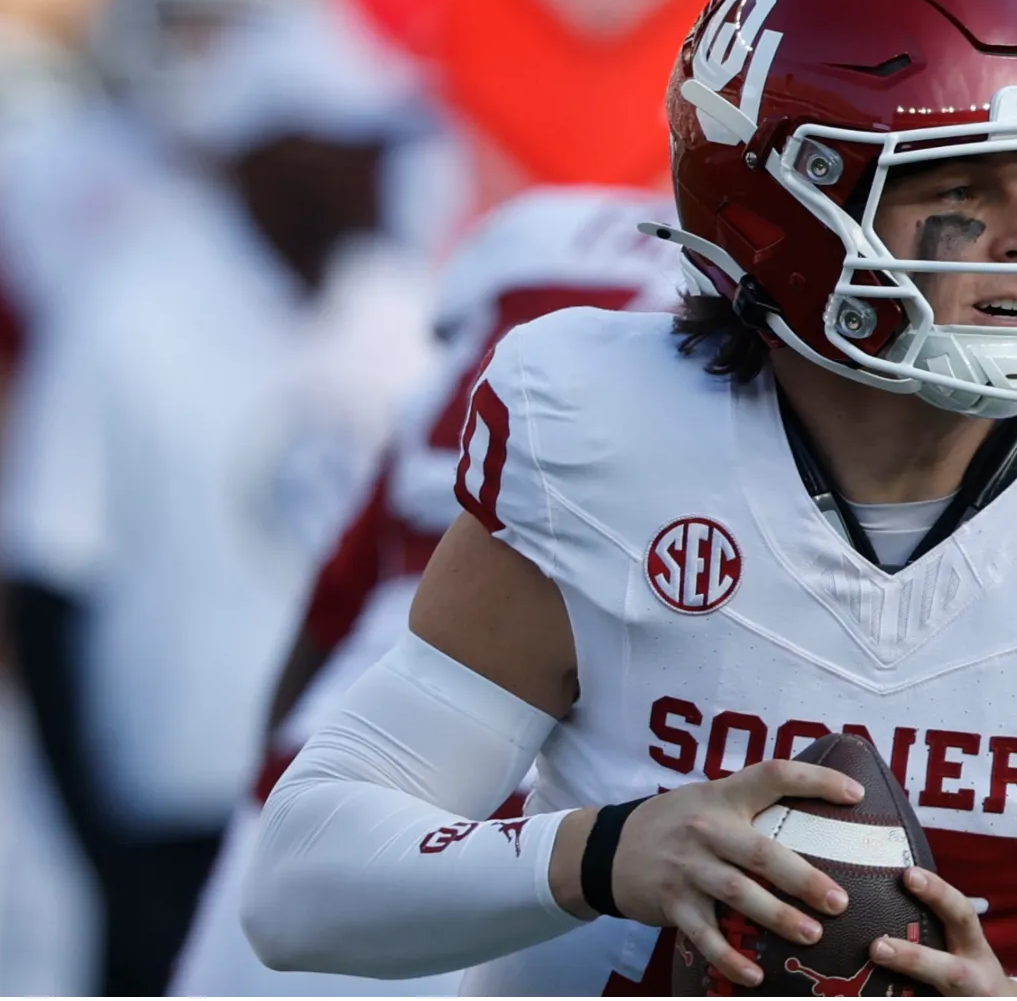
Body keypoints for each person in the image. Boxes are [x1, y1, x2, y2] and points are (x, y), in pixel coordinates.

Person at [242, 0, 1017, 996]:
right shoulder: (610, 447)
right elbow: (301, 884)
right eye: (959, 187)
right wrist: (601, 852)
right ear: (782, 212)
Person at [0, 0, 440, 995]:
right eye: (354, 143)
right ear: (277, 157)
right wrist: (106, 857)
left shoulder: (405, 317)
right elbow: (47, 584)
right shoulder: (126, 316)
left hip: (350, 830)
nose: (386, 170)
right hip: (164, 834)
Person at [169, 187, 683, 996]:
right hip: (542, 847)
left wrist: (269, 794)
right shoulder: (728, 351)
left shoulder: (515, 291)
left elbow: (327, 622)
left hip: (336, 788)